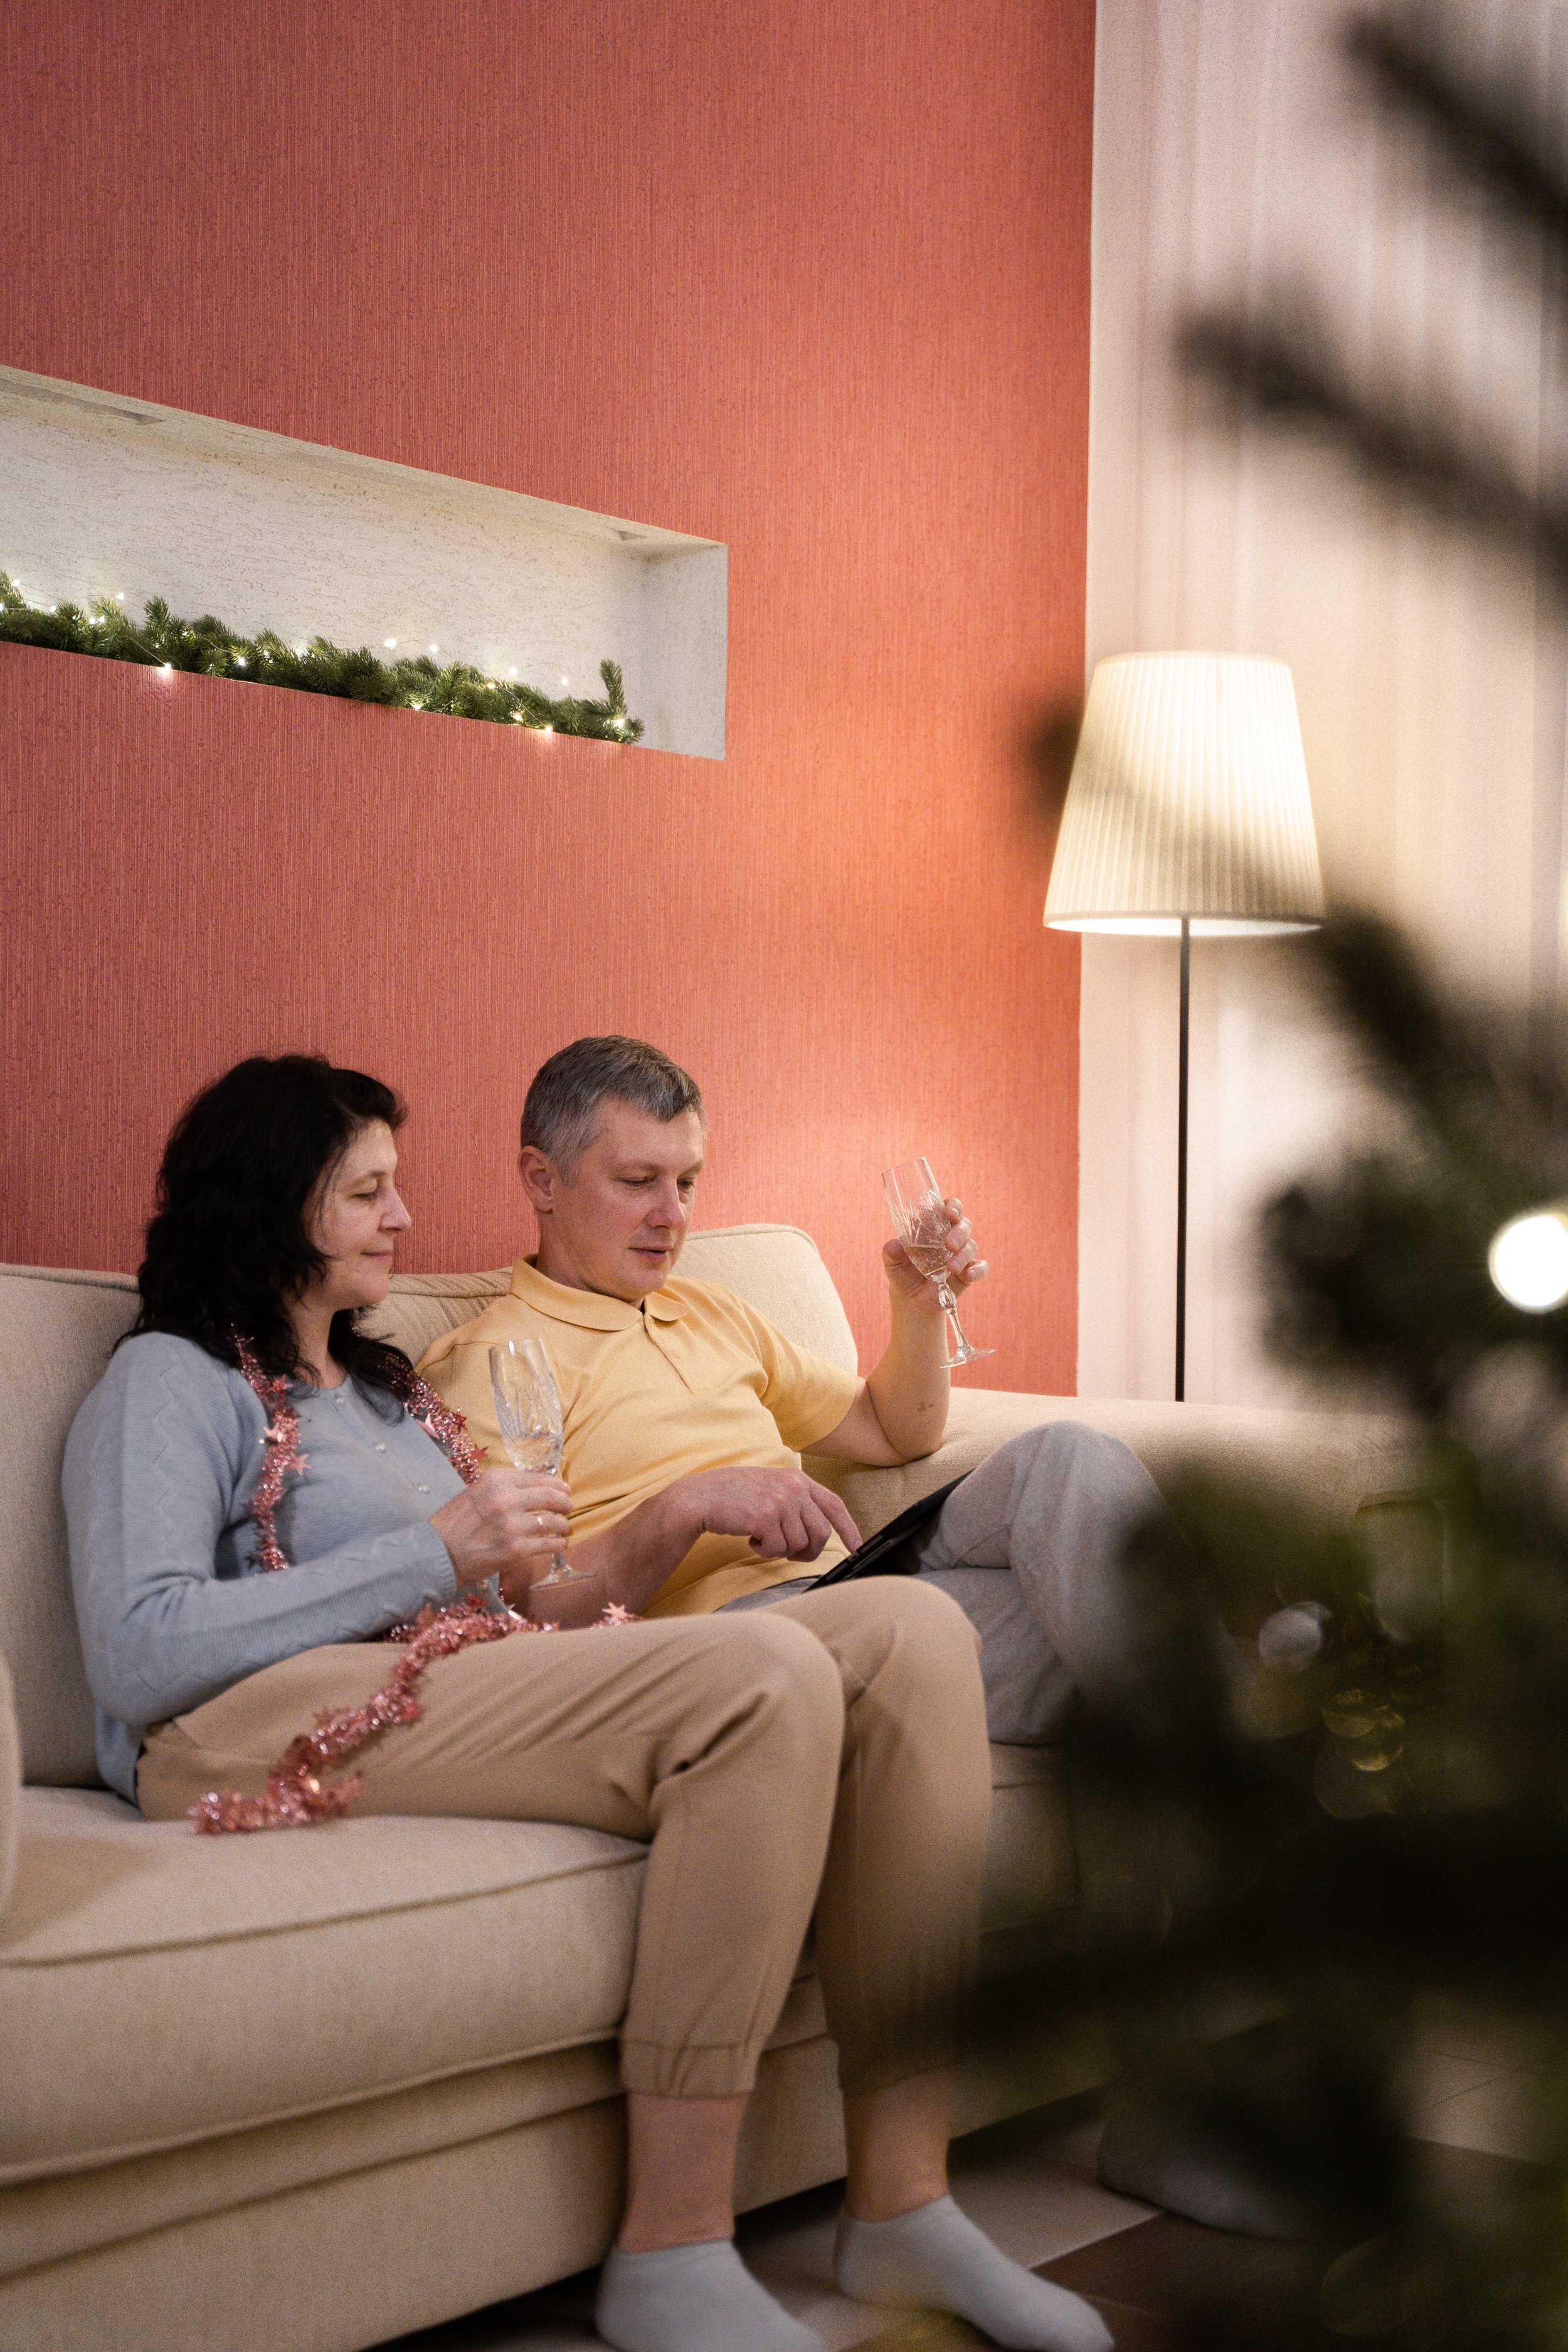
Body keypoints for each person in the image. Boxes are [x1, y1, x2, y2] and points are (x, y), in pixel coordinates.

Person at [63, 1054, 1113, 2352]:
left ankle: (901, 2197)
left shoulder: (387, 1396)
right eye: (367, 1194)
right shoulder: (170, 1379)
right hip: (252, 1720)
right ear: (270, 1203)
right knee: (766, 1670)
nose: (404, 1220)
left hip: (462, 1675)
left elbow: (537, 1612)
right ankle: (672, 2244)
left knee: (908, 1632)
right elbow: (137, 1646)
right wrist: (431, 1553)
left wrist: (502, 1573)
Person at [420, 1036, 1168, 1749]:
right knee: (1136, 1643)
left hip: (849, 1582)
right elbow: (517, 1612)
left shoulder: (709, 1310)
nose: (673, 1217)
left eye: (685, 1183)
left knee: (1068, 1460)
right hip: (733, 1647)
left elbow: (890, 1430)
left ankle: (1244, 1704)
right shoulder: (492, 1362)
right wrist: (684, 1506)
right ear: (541, 1179)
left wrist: (915, 1305)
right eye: (638, 1181)